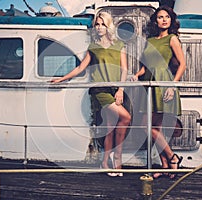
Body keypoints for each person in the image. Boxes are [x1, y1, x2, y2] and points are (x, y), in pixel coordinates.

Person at [51, 12, 131, 177]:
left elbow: (124, 69)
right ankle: (118, 159)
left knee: (110, 126)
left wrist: (121, 89)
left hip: (115, 89)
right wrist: (62, 78)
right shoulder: (93, 47)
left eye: (102, 24)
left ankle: (104, 162)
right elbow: (81, 68)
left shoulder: (119, 45)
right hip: (100, 90)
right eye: (97, 24)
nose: (99, 27)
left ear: (108, 26)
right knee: (126, 118)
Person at [131, 5, 186, 179]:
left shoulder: (172, 39)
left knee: (153, 127)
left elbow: (183, 65)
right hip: (148, 84)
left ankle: (171, 158)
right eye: (160, 17)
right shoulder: (150, 40)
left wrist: (173, 85)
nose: (164, 20)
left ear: (171, 20)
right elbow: (145, 66)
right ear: (156, 20)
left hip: (164, 83)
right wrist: (136, 75)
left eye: (167, 17)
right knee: (150, 126)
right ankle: (166, 163)